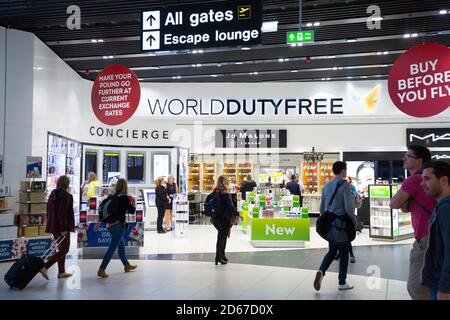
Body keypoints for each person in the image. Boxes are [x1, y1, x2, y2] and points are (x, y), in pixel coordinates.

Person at [390, 145, 437, 300]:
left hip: (425, 237)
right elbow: (406, 208)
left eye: (408, 156)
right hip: (432, 234)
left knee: (416, 285)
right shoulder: (425, 180)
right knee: (429, 282)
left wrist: (403, 199)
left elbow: (394, 204)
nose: (404, 159)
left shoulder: (415, 179)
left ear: (420, 160)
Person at [314, 161, 356, 291]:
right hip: (341, 225)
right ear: (343, 170)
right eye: (346, 169)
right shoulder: (345, 185)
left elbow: (322, 208)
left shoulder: (327, 185)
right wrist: (353, 222)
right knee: (344, 253)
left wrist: (326, 219)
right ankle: (342, 282)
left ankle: (321, 271)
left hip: (330, 224)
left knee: (332, 251)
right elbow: (348, 207)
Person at [420, 161, 450, 300]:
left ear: (443, 180)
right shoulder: (442, 206)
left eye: (427, 179)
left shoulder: (446, 208)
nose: (422, 184)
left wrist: (445, 287)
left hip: (441, 285)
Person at [96, 178, 137, 278]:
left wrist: (98, 223)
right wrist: (133, 202)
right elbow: (132, 211)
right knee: (112, 247)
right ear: (125, 187)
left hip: (109, 225)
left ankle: (126, 265)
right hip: (118, 225)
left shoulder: (113, 196)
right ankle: (102, 269)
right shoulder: (124, 198)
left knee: (121, 245)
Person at [39, 175, 75, 280]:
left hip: (53, 225)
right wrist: (64, 228)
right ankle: (45, 267)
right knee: (64, 249)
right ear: (67, 184)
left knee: (61, 248)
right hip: (62, 227)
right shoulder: (66, 196)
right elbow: (62, 213)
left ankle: (61, 272)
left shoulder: (53, 194)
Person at [211, 175, 238, 265]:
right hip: (224, 218)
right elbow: (230, 206)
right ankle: (218, 257)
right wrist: (237, 214)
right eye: (226, 180)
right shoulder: (225, 192)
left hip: (217, 218)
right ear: (223, 182)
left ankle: (221, 255)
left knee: (222, 237)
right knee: (222, 238)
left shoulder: (216, 191)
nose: (228, 181)